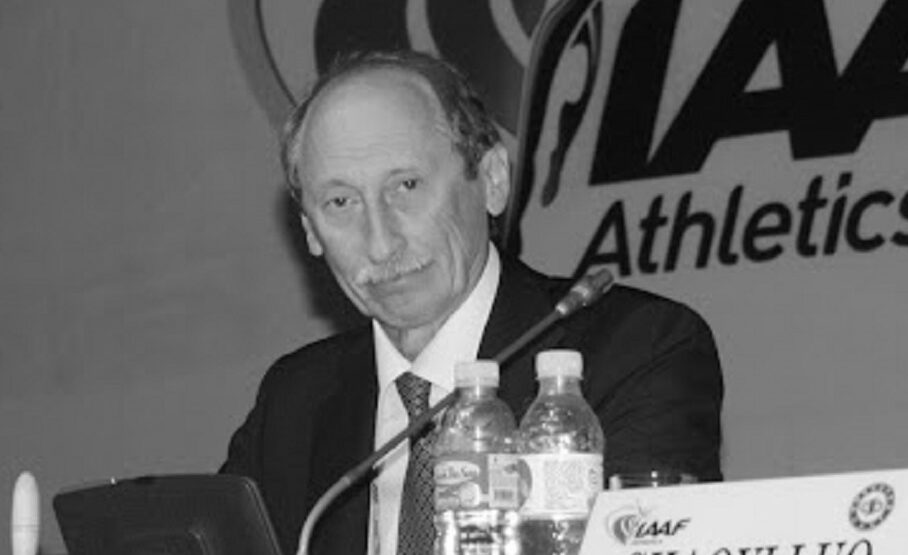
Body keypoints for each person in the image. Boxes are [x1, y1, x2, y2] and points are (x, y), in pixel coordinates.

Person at [221, 49, 723, 555]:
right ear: (310, 230)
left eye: (407, 186)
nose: (380, 243)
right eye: (340, 202)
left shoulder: (635, 351)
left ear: (492, 180)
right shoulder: (294, 402)